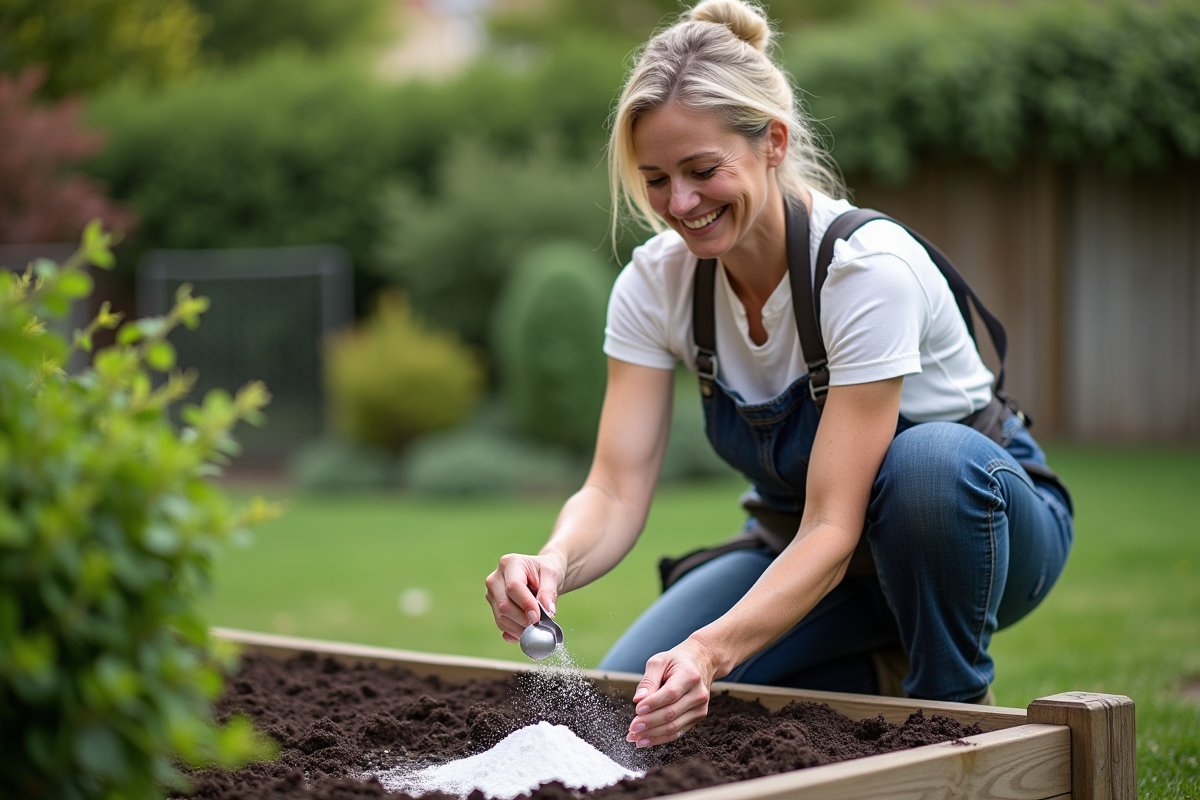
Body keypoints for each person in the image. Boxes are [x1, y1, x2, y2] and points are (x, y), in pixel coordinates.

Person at [484, 0, 1073, 749]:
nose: (680, 205)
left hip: (981, 538)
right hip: (806, 548)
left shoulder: (864, 273)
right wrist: (553, 561)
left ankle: (949, 712)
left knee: (929, 463)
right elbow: (614, 486)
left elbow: (835, 522)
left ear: (773, 144)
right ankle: (867, 673)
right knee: (642, 718)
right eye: (656, 179)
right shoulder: (656, 283)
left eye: (702, 171)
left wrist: (713, 648)